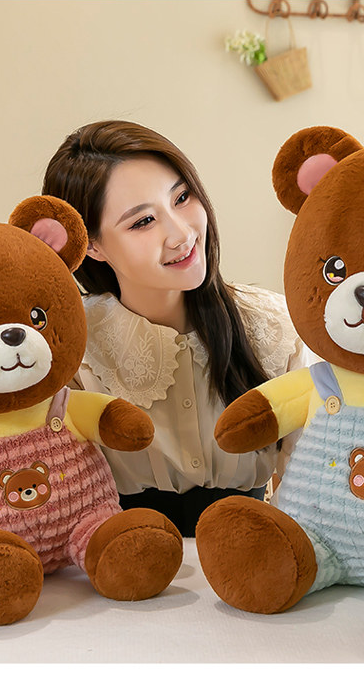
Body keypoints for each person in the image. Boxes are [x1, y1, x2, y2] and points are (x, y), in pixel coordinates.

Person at [42, 120, 314, 536]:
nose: (181, 233)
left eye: (182, 197)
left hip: (254, 554)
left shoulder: (275, 327)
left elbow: (310, 484)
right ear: (92, 245)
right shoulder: (69, 348)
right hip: (119, 560)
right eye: (143, 222)